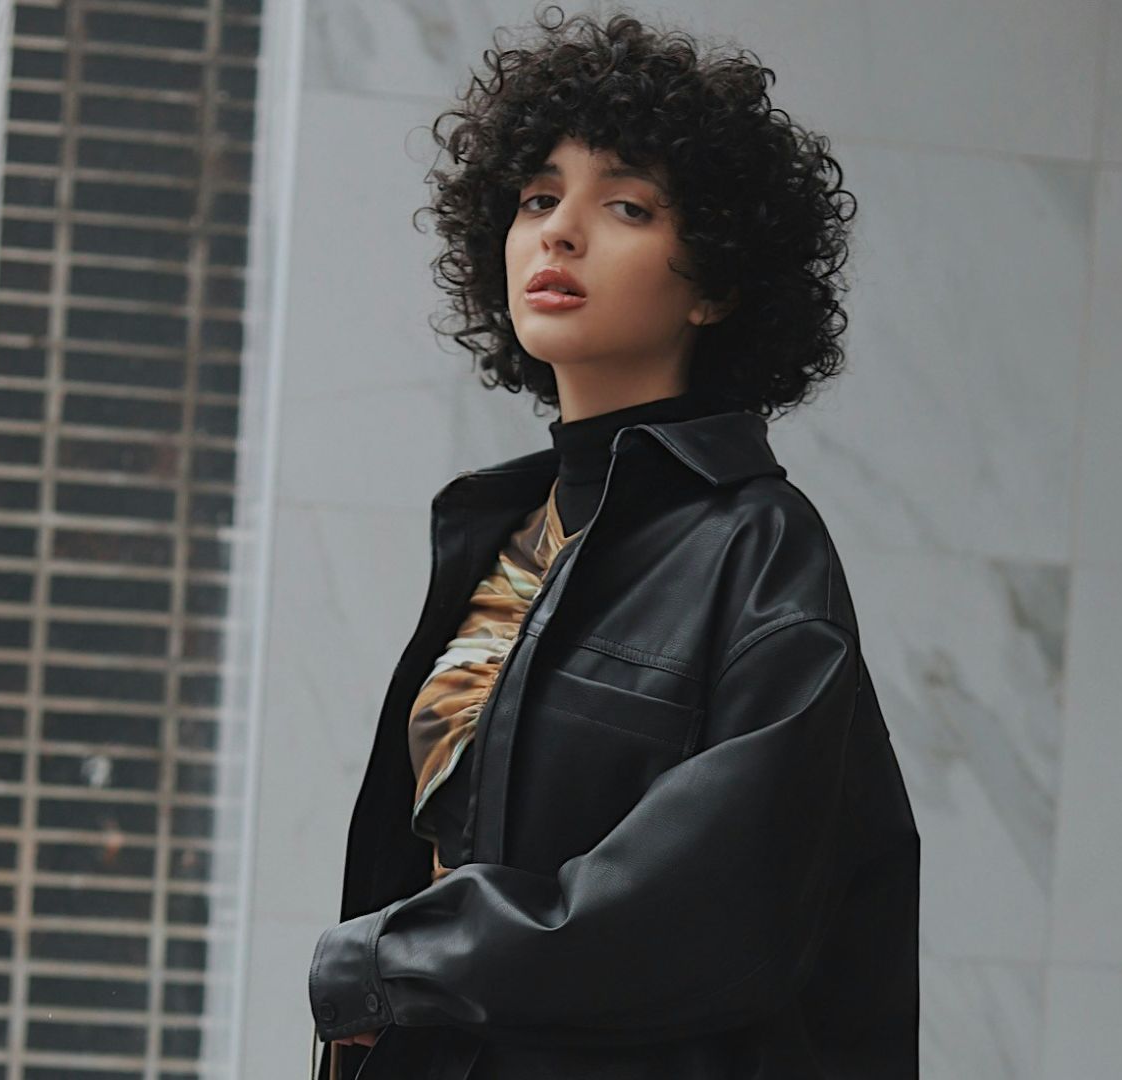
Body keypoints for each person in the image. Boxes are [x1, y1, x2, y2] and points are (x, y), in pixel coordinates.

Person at [306, 7, 920, 1078]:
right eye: (538, 197)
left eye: (624, 205)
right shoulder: (503, 534)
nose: (559, 231)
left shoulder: (760, 549)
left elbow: (712, 904)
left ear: (718, 280)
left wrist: (390, 964)